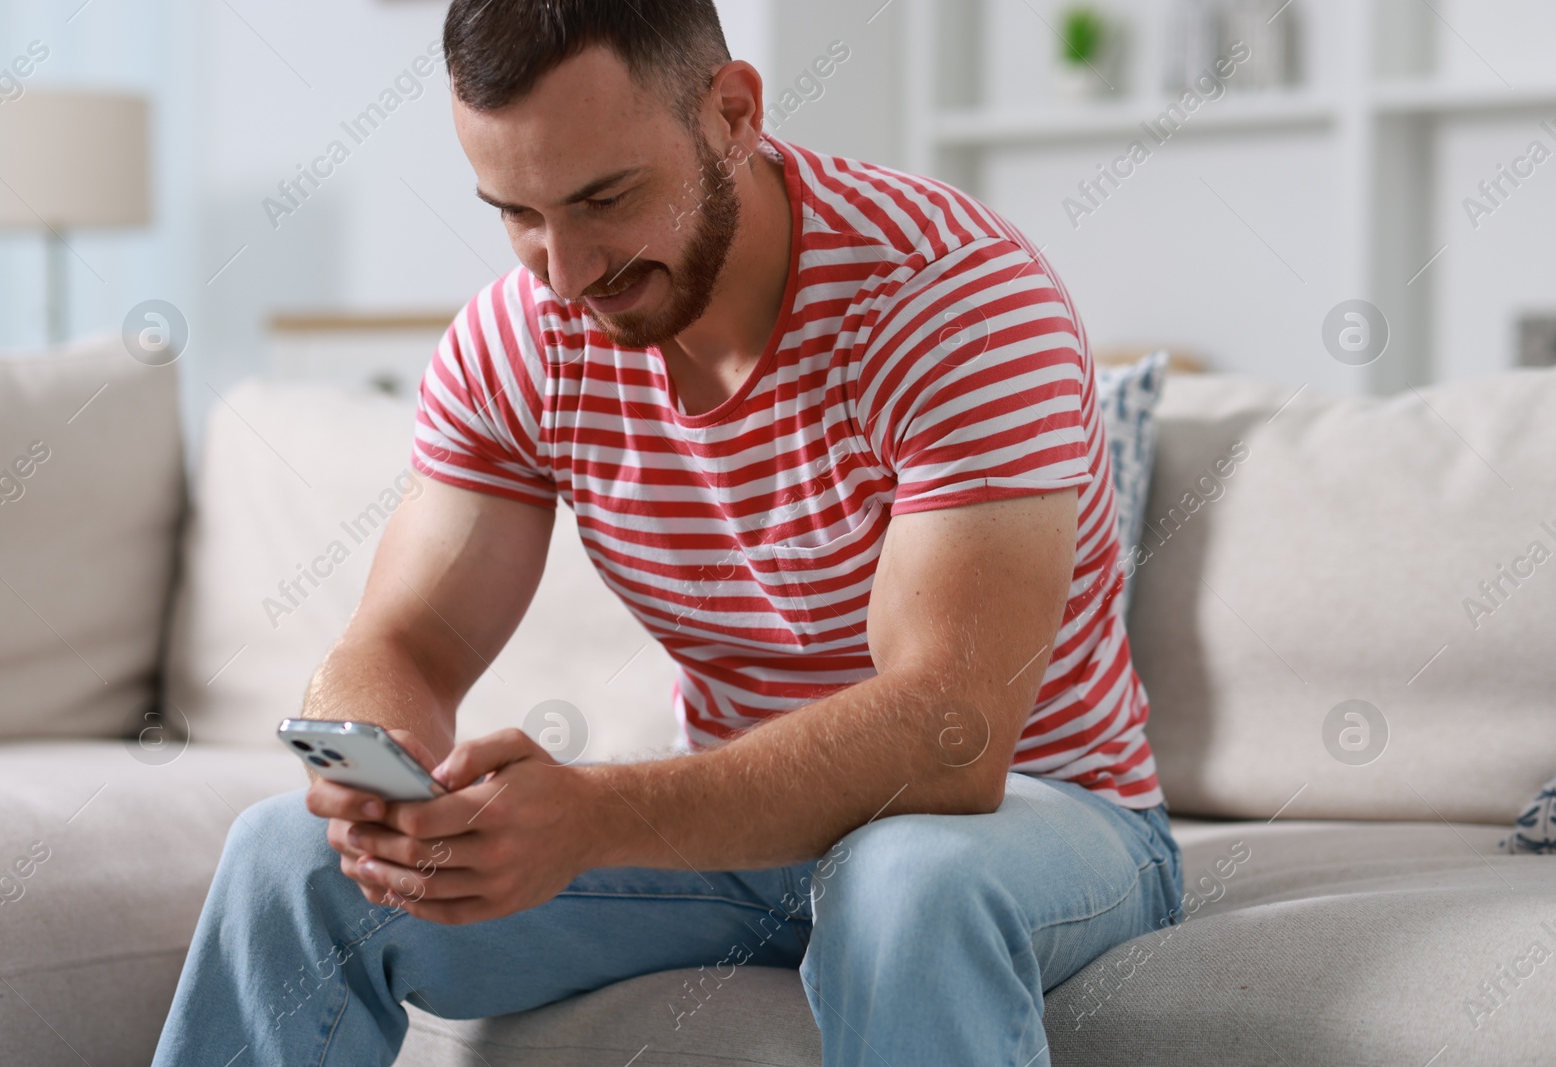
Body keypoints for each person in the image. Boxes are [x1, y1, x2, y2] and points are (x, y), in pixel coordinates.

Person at [153, 1, 1183, 1063]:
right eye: (517, 213)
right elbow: (404, 641)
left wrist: (593, 815)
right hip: (738, 841)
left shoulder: (948, 301)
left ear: (733, 113)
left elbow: (950, 735)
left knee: (906, 876)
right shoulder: (525, 338)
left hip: (1027, 818)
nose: (564, 272)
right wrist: (380, 771)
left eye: (606, 198)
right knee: (288, 855)